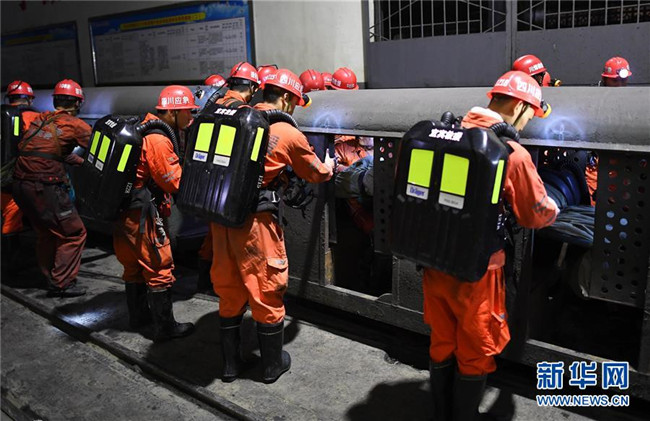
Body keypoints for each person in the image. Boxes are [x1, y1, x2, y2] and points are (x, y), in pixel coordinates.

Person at [425, 71, 559, 421]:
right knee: (476, 348)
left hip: (435, 259)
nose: (528, 122)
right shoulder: (510, 152)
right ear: (518, 106)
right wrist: (556, 206)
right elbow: (534, 213)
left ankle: (441, 413)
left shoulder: (447, 133)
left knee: (442, 339)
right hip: (479, 271)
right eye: (530, 114)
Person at [211, 69, 335, 383]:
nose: (294, 108)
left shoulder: (238, 118)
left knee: (230, 287)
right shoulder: (285, 131)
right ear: (286, 98)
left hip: (221, 218)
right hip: (255, 223)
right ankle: (271, 366)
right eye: (294, 102)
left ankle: (230, 365)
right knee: (266, 286)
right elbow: (315, 173)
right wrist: (330, 166)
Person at [113, 85, 197, 341]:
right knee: (159, 267)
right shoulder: (158, 139)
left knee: (133, 267)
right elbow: (173, 181)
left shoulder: (142, 126)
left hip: (123, 211)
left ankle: (139, 317)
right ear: (172, 112)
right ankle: (165, 328)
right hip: (142, 216)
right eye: (188, 111)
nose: (191, 116)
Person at [11, 79, 91, 297]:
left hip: (21, 185)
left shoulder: (41, 119)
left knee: (46, 233)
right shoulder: (75, 125)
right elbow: (100, 149)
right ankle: (62, 284)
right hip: (44, 187)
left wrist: (81, 162)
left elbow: (48, 152)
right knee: (74, 233)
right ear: (77, 103)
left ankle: (49, 276)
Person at [196, 63, 262, 293]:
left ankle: (206, 284)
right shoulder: (243, 114)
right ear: (252, 88)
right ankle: (228, 289)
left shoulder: (213, 107)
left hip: (210, 183)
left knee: (214, 237)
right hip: (230, 187)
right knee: (232, 243)